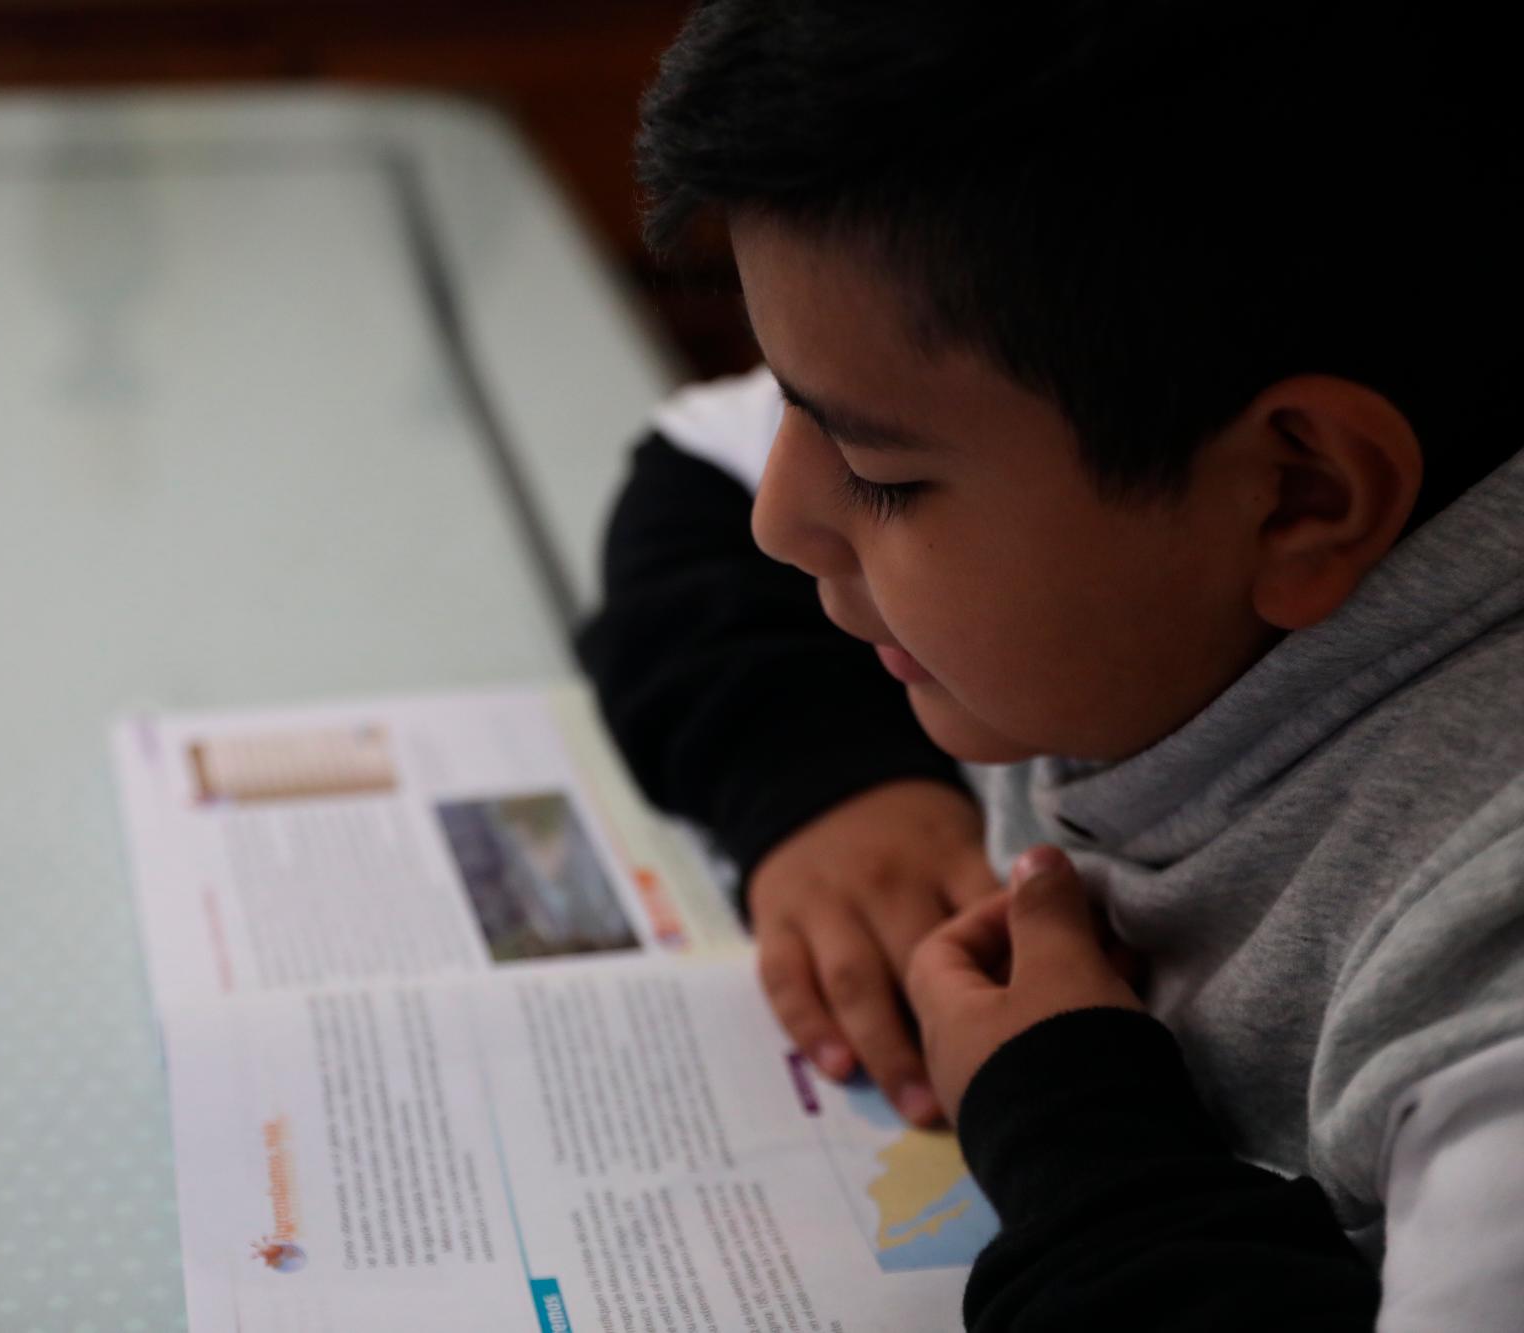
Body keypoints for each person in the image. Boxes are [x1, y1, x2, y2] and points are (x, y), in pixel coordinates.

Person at [576, 2, 1522, 1328]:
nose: (780, 518)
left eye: (879, 474)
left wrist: (1080, 1135)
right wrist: (827, 782)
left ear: (1300, 491)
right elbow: (690, 471)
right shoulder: (1121, 340)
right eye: (787, 398)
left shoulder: (1484, 970)